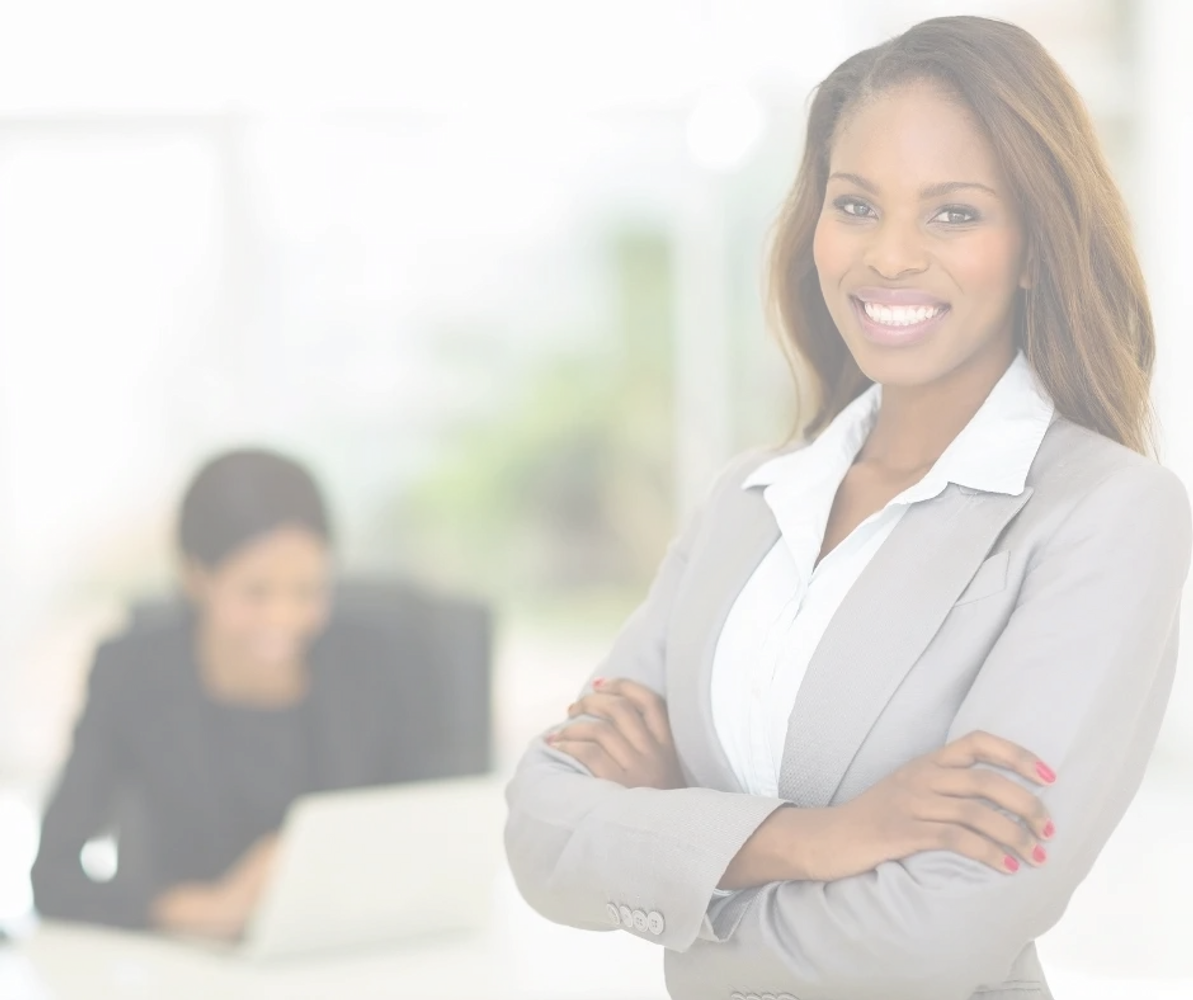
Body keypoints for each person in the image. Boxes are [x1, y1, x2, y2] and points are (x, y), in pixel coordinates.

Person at [504, 16, 1191, 1000]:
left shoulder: (1105, 515)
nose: (889, 257)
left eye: (952, 213)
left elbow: (937, 938)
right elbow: (539, 828)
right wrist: (817, 837)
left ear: (1035, 249)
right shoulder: (746, 499)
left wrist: (675, 851)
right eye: (855, 204)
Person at [32, 448, 431, 939]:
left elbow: (430, 837)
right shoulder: (132, 673)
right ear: (197, 576)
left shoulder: (378, 663)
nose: (282, 619)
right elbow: (51, 875)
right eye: (255, 592)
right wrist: (197, 909)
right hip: (186, 966)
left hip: (351, 949)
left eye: (307, 591)